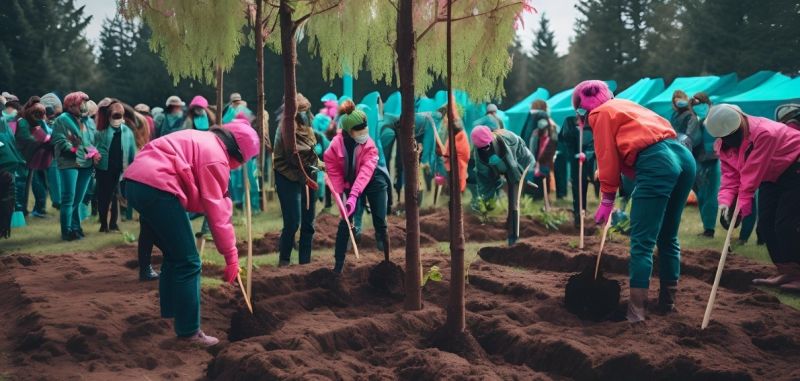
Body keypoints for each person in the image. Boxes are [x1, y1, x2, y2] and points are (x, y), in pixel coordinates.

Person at [123, 113, 259, 346]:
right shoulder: (216, 157)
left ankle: (171, 314)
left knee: (175, 256)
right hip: (158, 187)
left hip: (134, 183)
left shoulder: (200, 138)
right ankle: (189, 332)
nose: (237, 168)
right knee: (189, 262)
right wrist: (231, 257)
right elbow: (218, 213)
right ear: (237, 154)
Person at [574, 80, 695, 322]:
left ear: (582, 108)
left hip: (658, 162)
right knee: (668, 236)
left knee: (642, 242)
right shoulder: (624, 105)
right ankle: (667, 304)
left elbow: (607, 158)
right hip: (682, 156)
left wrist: (607, 199)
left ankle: (636, 312)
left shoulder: (599, 115)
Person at [705, 104, 800, 292]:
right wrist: (725, 203)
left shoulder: (765, 133)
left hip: (795, 166)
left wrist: (740, 207)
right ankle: (787, 270)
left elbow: (751, 175)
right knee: (765, 223)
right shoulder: (724, 145)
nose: (730, 140)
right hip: (771, 173)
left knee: (786, 224)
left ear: (741, 122)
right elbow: (731, 176)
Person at [324, 101, 391, 274]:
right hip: (349, 181)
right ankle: (338, 266)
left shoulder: (370, 146)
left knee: (380, 219)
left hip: (372, 179)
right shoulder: (332, 150)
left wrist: (354, 195)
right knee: (345, 221)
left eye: (365, 129)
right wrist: (344, 199)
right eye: (359, 130)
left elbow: (365, 173)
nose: (364, 133)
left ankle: (387, 261)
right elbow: (335, 176)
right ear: (348, 131)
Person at [273, 94, 320, 267]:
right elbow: (292, 156)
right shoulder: (284, 128)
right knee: (292, 222)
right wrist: (306, 176)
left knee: (308, 223)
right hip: (287, 176)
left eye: (307, 111)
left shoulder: (308, 127)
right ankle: (284, 260)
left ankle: (305, 264)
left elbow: (313, 151)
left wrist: (319, 165)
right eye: (303, 112)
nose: (307, 115)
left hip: (309, 174)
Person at [471, 125, 534, 246]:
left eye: (487, 146)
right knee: (489, 196)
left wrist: (522, 179)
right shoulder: (479, 152)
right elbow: (483, 176)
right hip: (498, 167)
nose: (484, 149)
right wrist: (486, 199)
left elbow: (514, 166)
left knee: (514, 202)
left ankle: (513, 236)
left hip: (519, 162)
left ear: (491, 139)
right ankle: (509, 226)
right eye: (481, 148)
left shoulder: (505, 142)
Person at [52, 92, 97, 241]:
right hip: (69, 162)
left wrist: (94, 153)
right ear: (71, 105)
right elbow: (59, 140)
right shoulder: (62, 120)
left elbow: (88, 141)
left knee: (77, 199)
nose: (84, 106)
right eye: (81, 103)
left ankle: (76, 228)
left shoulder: (86, 120)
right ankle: (67, 232)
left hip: (86, 164)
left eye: (85, 102)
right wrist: (73, 149)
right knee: (68, 198)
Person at [94, 99, 137, 233]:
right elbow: (94, 146)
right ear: (109, 116)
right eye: (115, 116)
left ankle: (113, 224)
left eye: (120, 116)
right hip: (104, 168)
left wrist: (132, 168)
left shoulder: (127, 132)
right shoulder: (101, 130)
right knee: (104, 196)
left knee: (116, 196)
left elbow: (131, 151)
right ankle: (103, 224)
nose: (118, 119)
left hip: (120, 169)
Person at [14, 97, 53, 218]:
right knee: (21, 184)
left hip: (29, 157)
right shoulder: (22, 122)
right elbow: (25, 139)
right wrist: (42, 142)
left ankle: (23, 210)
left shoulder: (33, 122)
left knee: (26, 184)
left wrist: (41, 123)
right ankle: (20, 211)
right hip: (21, 158)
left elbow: (44, 134)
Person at [688, 92, 720, 238]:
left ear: (708, 104)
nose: (698, 108)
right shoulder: (698, 123)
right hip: (700, 162)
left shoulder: (717, 120)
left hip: (714, 162)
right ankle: (707, 228)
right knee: (701, 195)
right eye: (695, 106)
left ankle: (710, 230)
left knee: (710, 196)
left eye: (700, 105)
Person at [560, 115, 596, 227]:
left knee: (586, 185)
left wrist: (587, 153)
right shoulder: (569, 121)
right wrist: (574, 153)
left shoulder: (594, 122)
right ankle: (578, 216)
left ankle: (584, 212)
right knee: (577, 186)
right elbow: (563, 139)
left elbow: (596, 141)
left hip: (590, 160)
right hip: (576, 161)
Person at [436, 103, 470, 193]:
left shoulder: (456, 130)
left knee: (457, 176)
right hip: (451, 160)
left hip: (454, 160)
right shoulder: (449, 130)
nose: (443, 120)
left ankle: (455, 191)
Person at [0, 116, 25, 238]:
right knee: (6, 202)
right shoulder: (5, 124)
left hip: (5, 167)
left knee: (6, 202)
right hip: (10, 167)